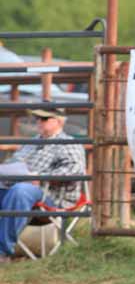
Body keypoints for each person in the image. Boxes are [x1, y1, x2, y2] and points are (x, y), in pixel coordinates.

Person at [0, 106, 86, 263]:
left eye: (44, 119)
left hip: (51, 196)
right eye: (38, 119)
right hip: (20, 188)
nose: (39, 122)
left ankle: (2, 251)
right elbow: (13, 163)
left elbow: (74, 171)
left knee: (21, 191)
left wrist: (42, 177)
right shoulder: (32, 142)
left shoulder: (69, 143)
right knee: (19, 190)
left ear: (58, 121)